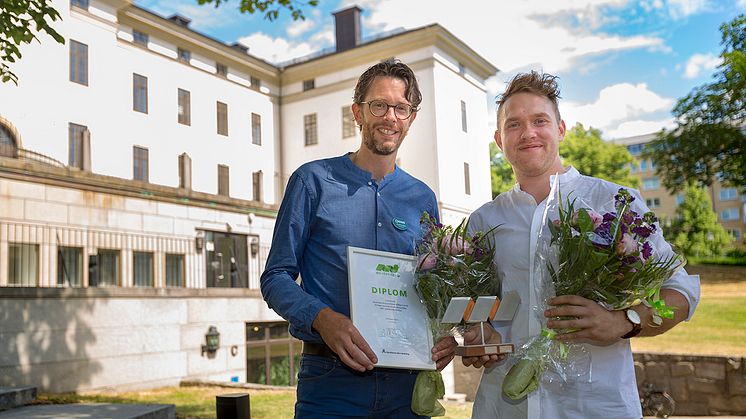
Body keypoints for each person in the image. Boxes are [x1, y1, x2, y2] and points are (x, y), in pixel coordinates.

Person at [461, 71, 700, 418]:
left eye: (539, 120)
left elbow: (680, 290)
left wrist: (626, 320)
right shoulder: (484, 220)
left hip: (595, 405)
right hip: (504, 405)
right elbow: (474, 303)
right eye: (514, 125)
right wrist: (476, 330)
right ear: (499, 139)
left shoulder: (615, 204)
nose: (528, 132)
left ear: (560, 129)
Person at [260, 58, 457, 419]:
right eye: (379, 105)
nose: (390, 117)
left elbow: (433, 286)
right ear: (358, 112)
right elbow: (275, 277)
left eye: (401, 108)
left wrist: (440, 336)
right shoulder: (311, 181)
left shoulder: (422, 198)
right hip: (330, 382)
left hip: (407, 387)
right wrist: (321, 317)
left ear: (411, 118)